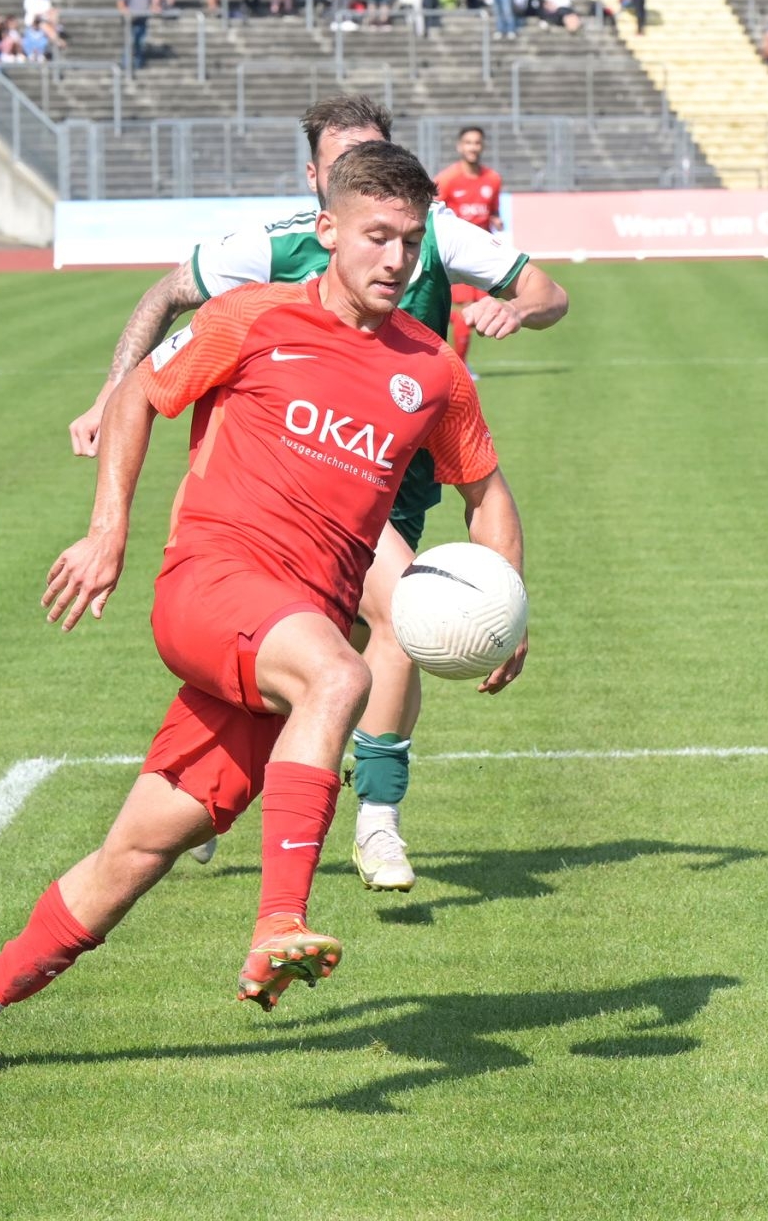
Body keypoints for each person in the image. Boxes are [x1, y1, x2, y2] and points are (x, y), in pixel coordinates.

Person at [0, 142, 525, 1083]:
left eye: (412, 242)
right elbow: (138, 393)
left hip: (286, 635)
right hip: (210, 586)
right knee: (343, 674)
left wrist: (508, 605)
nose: (396, 260)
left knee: (136, 853)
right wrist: (108, 531)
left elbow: (486, 494)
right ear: (328, 229)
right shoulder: (251, 318)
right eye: (376, 236)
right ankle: (280, 921)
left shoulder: (435, 371)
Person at [67, 96, 568, 891]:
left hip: (394, 490)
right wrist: (113, 389)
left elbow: (547, 294)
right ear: (319, 187)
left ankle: (216, 809)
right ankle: (374, 824)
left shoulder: (432, 237)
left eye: (377, 158)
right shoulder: (270, 252)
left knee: (322, 662)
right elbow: (166, 295)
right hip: (291, 494)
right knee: (380, 630)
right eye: (345, 165)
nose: (393, 250)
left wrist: (516, 307)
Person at [437, 124, 505, 360]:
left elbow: (493, 209)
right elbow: (432, 211)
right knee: (464, 311)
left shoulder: (493, 179)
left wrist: (495, 219)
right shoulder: (447, 179)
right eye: (468, 143)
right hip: (457, 253)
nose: (473, 147)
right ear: (460, 146)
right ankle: (459, 365)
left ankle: (459, 362)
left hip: (484, 253)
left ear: (482, 146)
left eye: (477, 143)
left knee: (483, 313)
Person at [118, 0, 153, 69]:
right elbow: (121, 1)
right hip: (131, 20)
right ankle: (125, 64)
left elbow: (150, 3)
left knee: (140, 42)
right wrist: (125, 11)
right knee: (129, 42)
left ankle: (138, 63)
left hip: (142, 20)